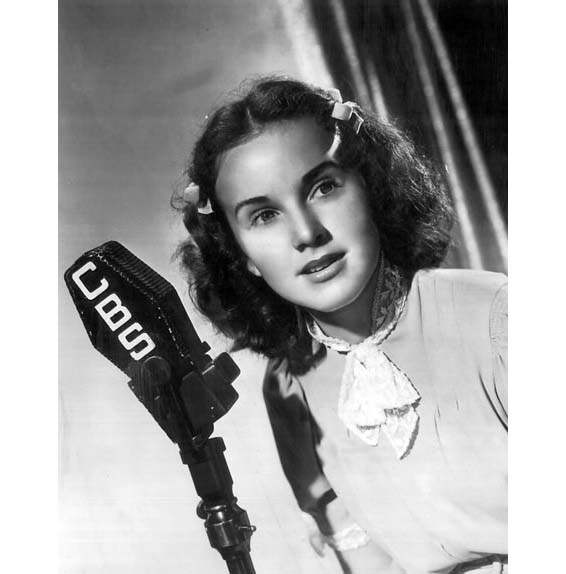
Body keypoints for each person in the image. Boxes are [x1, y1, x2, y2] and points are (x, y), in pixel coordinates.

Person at [173, 77, 507, 574]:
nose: (307, 233)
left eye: (324, 187)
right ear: (241, 255)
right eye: (264, 215)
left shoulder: (496, 318)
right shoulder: (289, 387)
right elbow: (368, 561)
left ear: (371, 185)